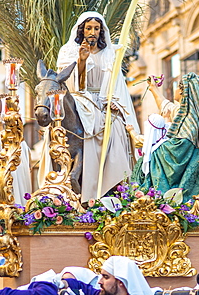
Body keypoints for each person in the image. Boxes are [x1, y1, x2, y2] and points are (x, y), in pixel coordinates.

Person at [53, 11, 140, 202]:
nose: (92, 32)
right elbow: (71, 85)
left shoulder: (110, 54)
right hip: (79, 99)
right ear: (81, 29)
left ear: (101, 31)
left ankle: (115, 186)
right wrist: (81, 61)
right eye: (89, 28)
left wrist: (112, 101)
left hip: (104, 103)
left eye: (96, 28)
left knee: (116, 128)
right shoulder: (68, 52)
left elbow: (117, 85)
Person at [138, 72, 199, 201]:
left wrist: (153, 146)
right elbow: (165, 105)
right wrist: (153, 88)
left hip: (186, 173)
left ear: (182, 91)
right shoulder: (187, 113)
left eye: (177, 86)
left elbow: (177, 151)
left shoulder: (188, 119)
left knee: (149, 158)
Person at [126, 113, 170, 184]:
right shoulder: (166, 135)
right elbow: (168, 124)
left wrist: (131, 130)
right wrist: (166, 117)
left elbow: (137, 139)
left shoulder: (149, 140)